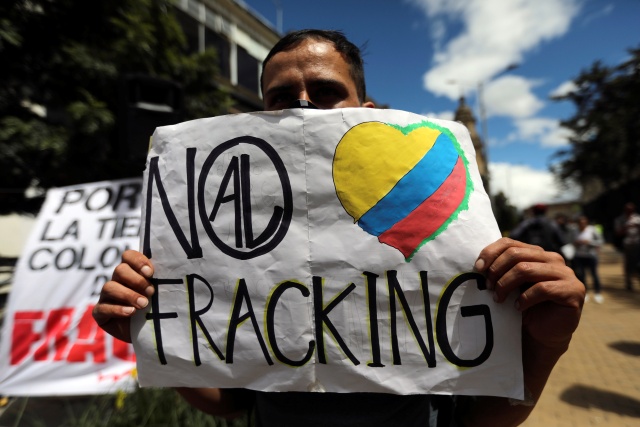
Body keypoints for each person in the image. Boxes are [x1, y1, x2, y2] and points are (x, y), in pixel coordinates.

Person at [93, 29, 585, 426]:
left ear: (366, 113)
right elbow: (230, 405)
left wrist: (547, 344)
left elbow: (481, 419)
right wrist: (153, 334)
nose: (303, 105)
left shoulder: (434, 212)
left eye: (326, 92)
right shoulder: (224, 232)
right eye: (281, 97)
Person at [572, 215, 604, 303]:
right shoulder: (574, 231)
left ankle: (597, 293)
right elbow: (570, 241)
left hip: (591, 256)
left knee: (594, 274)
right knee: (581, 276)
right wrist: (576, 243)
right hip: (579, 256)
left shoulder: (592, 230)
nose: (582, 225)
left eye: (584, 223)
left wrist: (590, 242)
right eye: (580, 223)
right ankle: (585, 293)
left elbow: (600, 241)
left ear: (586, 223)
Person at [614, 202, 640, 291]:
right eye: (628, 210)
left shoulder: (638, 218)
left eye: (631, 210)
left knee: (637, 263)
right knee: (628, 264)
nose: (630, 211)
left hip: (638, 243)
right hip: (627, 244)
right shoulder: (620, 219)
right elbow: (618, 232)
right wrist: (627, 227)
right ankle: (629, 283)